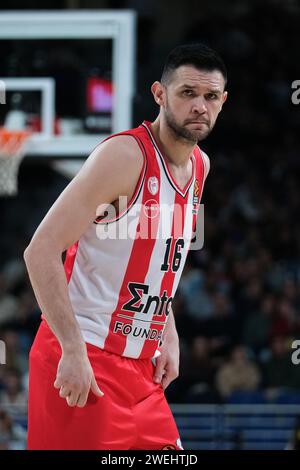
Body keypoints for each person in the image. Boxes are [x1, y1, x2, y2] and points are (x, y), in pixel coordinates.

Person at [24, 43, 227, 450]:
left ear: (223, 101)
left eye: (210, 96)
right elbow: (41, 249)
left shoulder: (200, 166)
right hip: (85, 358)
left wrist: (166, 330)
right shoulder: (123, 156)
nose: (200, 107)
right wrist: (72, 349)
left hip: (141, 371)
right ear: (159, 94)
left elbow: (161, 258)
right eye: (187, 93)